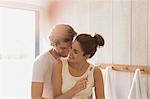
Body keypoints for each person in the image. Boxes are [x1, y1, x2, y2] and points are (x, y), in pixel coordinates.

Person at [52, 33, 105, 99]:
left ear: (86, 56)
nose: (70, 52)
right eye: (71, 47)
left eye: (75, 52)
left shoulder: (95, 72)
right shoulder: (59, 65)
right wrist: (75, 90)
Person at [31, 24, 77, 99]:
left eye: (70, 47)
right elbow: (35, 97)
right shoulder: (41, 62)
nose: (68, 52)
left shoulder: (70, 60)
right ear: (53, 44)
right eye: (63, 48)